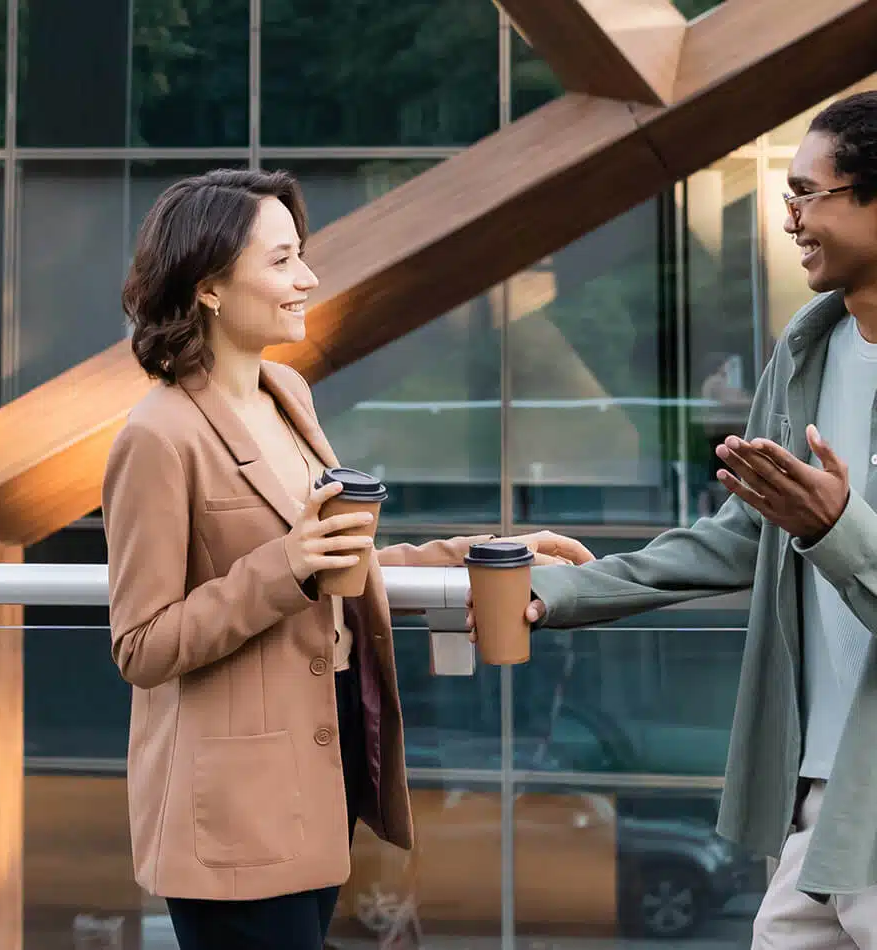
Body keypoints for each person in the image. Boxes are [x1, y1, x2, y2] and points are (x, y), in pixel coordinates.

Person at [506, 91, 877, 949]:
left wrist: (839, 528)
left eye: (809, 194)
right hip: (817, 805)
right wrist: (561, 593)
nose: (791, 218)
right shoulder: (803, 353)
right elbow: (744, 537)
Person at [102, 169, 590, 950]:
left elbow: (339, 565)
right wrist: (282, 570)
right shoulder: (158, 437)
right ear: (210, 288)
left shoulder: (286, 393)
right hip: (230, 813)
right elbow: (142, 645)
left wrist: (477, 555)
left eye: (303, 256)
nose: (308, 278)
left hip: (319, 785)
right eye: (282, 260)